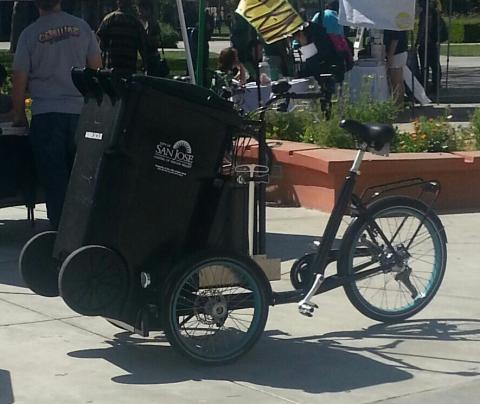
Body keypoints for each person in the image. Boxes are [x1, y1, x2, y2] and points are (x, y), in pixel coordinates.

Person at [11, 0, 102, 228]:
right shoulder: (82, 28)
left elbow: (19, 79)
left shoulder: (29, 35)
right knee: (82, 177)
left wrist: (18, 115)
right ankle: (84, 228)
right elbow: (96, 68)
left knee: (54, 179)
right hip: (81, 112)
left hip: (46, 114)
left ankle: (60, 231)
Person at [96, 0, 147, 76]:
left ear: (118, 3)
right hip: (129, 69)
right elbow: (143, 49)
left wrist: (99, 67)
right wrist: (146, 68)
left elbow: (100, 46)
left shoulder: (109, 19)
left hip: (110, 69)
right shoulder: (136, 23)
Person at [416, 0, 442, 94]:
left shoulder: (426, 14)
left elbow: (422, 29)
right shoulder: (434, 12)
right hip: (432, 42)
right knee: (434, 65)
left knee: (425, 66)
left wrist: (417, 43)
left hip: (426, 43)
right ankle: (435, 84)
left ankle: (426, 85)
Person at [138, 0, 167, 77]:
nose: (140, 14)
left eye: (141, 11)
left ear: (148, 10)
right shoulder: (145, 23)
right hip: (148, 59)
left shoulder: (153, 24)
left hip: (153, 59)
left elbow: (154, 42)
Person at [384, 29, 408, 108]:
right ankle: (398, 103)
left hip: (397, 53)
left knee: (396, 81)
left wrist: (390, 55)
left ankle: (398, 104)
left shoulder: (396, 24)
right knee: (397, 81)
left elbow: (395, 40)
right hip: (396, 53)